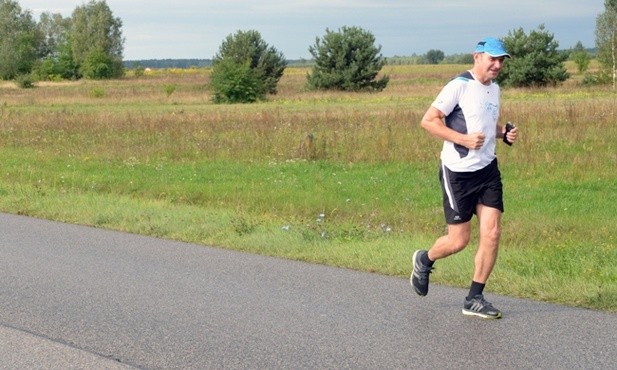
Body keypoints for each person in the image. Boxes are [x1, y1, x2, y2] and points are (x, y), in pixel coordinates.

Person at [411, 37, 519, 319]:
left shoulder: (494, 89)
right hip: (457, 173)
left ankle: (475, 297)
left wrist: (502, 134)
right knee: (459, 241)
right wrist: (463, 139)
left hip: (487, 171)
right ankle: (425, 259)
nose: (497, 65)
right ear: (477, 57)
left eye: (501, 60)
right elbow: (429, 120)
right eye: (492, 59)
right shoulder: (458, 85)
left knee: (493, 232)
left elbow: (483, 125)